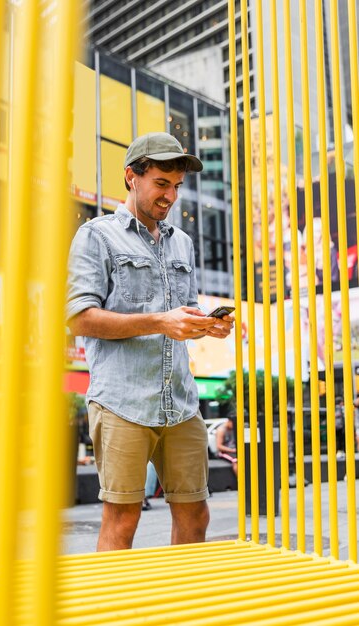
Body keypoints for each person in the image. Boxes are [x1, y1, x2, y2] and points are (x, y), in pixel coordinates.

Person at [66, 132, 234, 551]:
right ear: (131, 177)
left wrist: (206, 326)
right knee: (122, 519)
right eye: (162, 183)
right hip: (123, 402)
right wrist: (162, 321)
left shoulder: (183, 242)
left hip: (180, 402)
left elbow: (184, 314)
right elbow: (79, 318)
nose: (171, 196)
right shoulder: (96, 236)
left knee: (196, 513)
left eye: (176, 186)